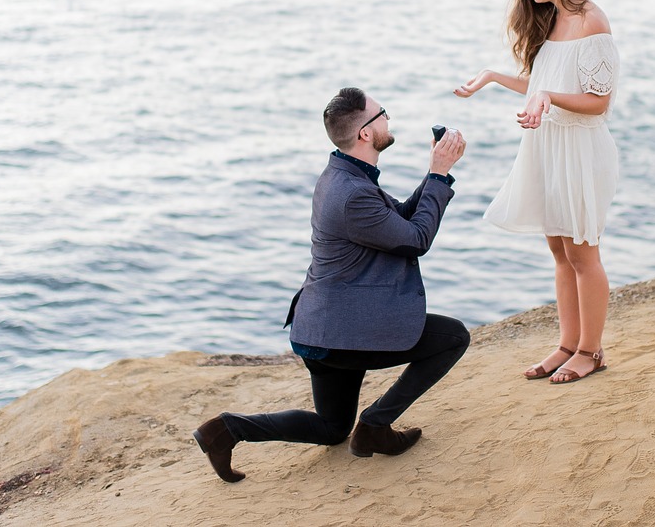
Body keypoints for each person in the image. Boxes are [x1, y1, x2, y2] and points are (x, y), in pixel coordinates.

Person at [193, 87, 470, 483]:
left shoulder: (344, 175)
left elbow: (399, 224)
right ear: (365, 134)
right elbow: (415, 239)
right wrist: (440, 175)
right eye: (383, 114)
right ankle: (375, 425)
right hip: (340, 334)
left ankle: (226, 429)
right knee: (454, 337)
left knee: (332, 428)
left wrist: (434, 174)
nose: (389, 119)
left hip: (320, 329)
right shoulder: (352, 193)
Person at [455, 0, 619, 385]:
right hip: (548, 145)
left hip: (581, 149)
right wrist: (492, 76)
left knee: (584, 254)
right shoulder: (549, 20)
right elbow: (542, 83)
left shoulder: (592, 22)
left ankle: (590, 350)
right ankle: (568, 343)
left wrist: (547, 95)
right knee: (560, 252)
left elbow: (597, 101)